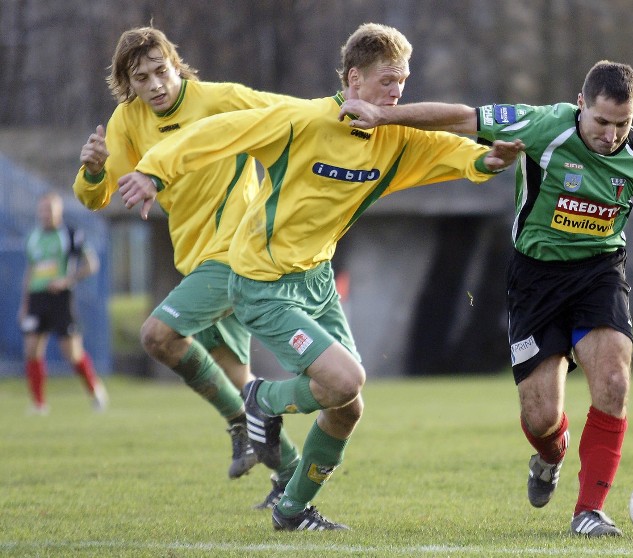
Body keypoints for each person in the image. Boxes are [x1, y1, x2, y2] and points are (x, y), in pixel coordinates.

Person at [116, 22, 523, 531]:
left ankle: (292, 510)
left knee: (347, 406)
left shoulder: (396, 139)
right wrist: (154, 171)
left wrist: (490, 158)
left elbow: (457, 154)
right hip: (260, 281)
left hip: (316, 281)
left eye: (403, 82)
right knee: (347, 379)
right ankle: (260, 399)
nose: (397, 93)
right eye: (387, 81)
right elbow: (216, 133)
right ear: (354, 79)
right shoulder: (303, 120)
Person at [340, 60, 633, 537]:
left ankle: (588, 512)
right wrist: (383, 115)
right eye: (602, 122)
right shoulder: (542, 126)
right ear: (580, 105)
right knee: (541, 417)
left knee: (614, 383)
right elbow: (461, 116)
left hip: (600, 274)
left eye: (623, 123)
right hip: (535, 280)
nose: (611, 135)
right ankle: (549, 457)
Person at [72, 26, 303, 489]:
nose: (155, 84)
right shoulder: (128, 120)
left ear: (176, 65)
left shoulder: (221, 99)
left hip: (239, 253)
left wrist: (352, 110)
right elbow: (95, 198)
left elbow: (293, 115)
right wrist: (94, 170)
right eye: (142, 78)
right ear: (128, 82)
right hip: (195, 260)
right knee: (239, 379)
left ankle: (241, 422)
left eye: (161, 71)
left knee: (158, 336)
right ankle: (292, 481)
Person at [19, 192, 109, 414]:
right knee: (32, 349)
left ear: (58, 211)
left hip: (61, 298)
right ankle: (39, 404)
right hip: (37, 298)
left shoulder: (70, 235)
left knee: (72, 352)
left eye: (49, 210)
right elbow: (30, 271)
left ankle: (95, 390)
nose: (44, 215)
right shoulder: (33, 237)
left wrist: (67, 280)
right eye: (41, 210)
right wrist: (25, 304)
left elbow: (91, 264)